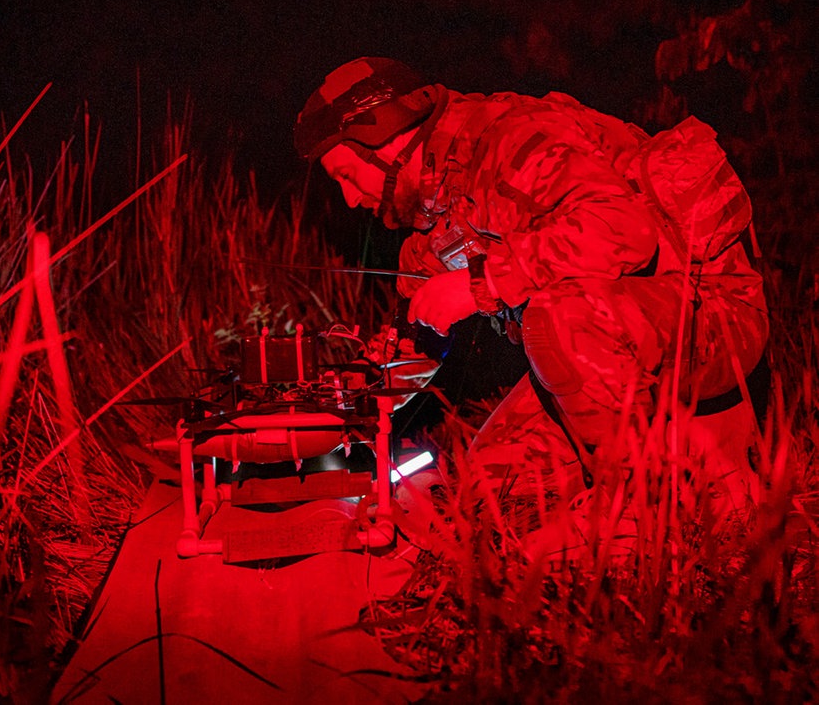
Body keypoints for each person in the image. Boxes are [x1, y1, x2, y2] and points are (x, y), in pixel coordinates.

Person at [294, 56, 769, 563]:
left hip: (710, 321)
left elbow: (624, 230)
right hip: (616, 352)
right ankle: (704, 469)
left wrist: (482, 284)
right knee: (493, 499)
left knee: (556, 316)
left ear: (384, 138)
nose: (347, 199)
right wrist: (364, 386)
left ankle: (640, 512)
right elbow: (426, 322)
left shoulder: (508, 139)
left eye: (346, 174)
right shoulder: (441, 191)